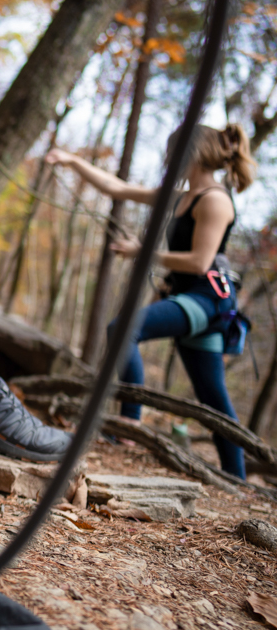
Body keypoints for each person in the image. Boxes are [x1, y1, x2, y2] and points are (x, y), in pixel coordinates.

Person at [46, 124, 257, 479]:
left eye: (172, 151)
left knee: (123, 329)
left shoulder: (216, 201)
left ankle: (130, 424)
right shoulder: (180, 196)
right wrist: (70, 160)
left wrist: (141, 251)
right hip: (190, 298)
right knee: (212, 397)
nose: (167, 158)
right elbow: (118, 188)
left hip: (208, 300)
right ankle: (236, 476)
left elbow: (200, 262)